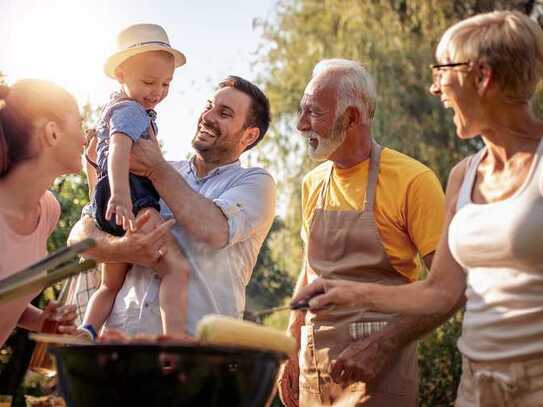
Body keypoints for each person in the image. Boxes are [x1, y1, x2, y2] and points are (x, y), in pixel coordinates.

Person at [293, 11, 543, 406]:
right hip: (477, 384)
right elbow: (442, 290)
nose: (433, 88)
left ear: (482, 77)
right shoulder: (465, 174)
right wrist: (348, 294)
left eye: (443, 71)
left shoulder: (415, 178)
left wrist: (379, 339)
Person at [278, 59, 448, 407]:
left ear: (353, 117)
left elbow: (449, 287)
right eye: (301, 111)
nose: (300, 124)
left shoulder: (413, 181)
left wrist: (383, 344)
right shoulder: (313, 184)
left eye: (313, 113)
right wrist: (291, 338)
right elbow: (311, 269)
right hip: (314, 369)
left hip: (378, 373)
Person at [68, 75, 276, 337]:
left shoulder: (256, 183)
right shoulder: (158, 168)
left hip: (194, 359)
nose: (208, 116)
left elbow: (213, 230)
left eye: (224, 113)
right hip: (119, 346)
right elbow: (80, 235)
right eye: (209, 105)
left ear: (249, 135)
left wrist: (156, 169)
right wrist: (122, 249)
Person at [82, 23, 190, 338]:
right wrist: (121, 196)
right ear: (121, 75)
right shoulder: (131, 111)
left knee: (109, 285)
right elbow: (118, 151)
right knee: (176, 269)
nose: (157, 92)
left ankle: (87, 328)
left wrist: (109, 198)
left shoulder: (118, 107)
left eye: (166, 84)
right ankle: (175, 337)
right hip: (131, 193)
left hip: (108, 199)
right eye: (148, 82)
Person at [0, 79, 82, 346]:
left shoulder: (47, 210)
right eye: (79, 124)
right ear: (53, 133)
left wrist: (43, 323)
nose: (85, 137)